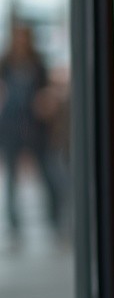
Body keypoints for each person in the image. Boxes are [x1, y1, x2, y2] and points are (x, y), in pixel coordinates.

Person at [0, 23, 61, 241]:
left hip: (35, 127)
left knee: (47, 173)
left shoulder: (38, 65)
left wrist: (45, 102)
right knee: (11, 181)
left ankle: (56, 222)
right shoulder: (6, 63)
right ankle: (14, 227)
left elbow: (47, 93)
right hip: (11, 126)